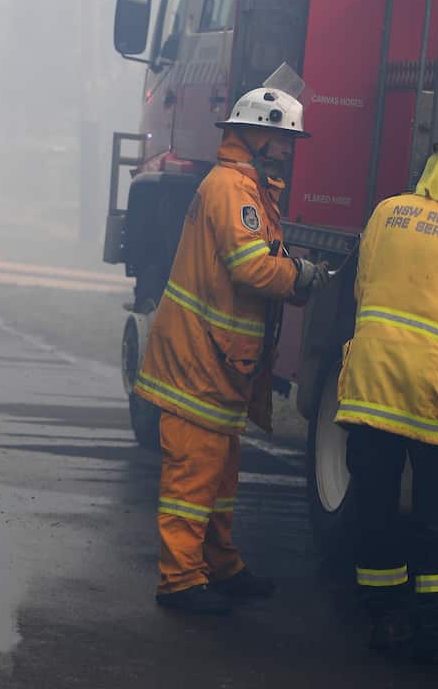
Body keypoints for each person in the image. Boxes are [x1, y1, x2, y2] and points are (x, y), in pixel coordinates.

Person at [135, 86, 331, 614]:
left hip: (218, 360)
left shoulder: (247, 187)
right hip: (200, 359)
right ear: (254, 134)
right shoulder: (231, 190)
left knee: (219, 475)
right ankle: (179, 580)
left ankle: (218, 564)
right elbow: (251, 268)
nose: (289, 149)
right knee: (192, 476)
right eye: (283, 138)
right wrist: (301, 276)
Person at [336, 135, 438, 660]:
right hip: (437, 395)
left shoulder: (387, 212)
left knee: (377, 507)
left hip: (370, 387)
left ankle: (384, 619)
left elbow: (362, 290)